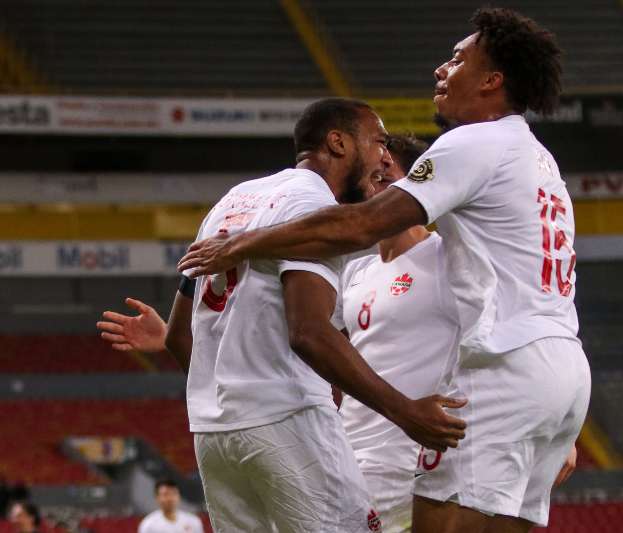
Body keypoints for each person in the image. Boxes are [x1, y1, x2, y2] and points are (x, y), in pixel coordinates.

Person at [177, 8, 591, 533]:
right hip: (563, 369)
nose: (442, 69)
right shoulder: (539, 159)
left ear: (492, 81)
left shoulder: (475, 142)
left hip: (502, 366)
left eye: (458, 59)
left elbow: (358, 226)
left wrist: (245, 243)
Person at [102, 98, 466, 533]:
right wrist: (407, 413)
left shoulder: (232, 200)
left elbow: (180, 337)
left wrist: (230, 399)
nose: (383, 157)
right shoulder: (315, 206)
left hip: (215, 435)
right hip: (287, 417)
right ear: (338, 142)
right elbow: (309, 332)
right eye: (377, 142)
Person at [138, 479, 203, 533]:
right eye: (165, 494)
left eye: (174, 493)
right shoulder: (148, 525)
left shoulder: (193, 521)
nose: (170, 498)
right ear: (157, 497)